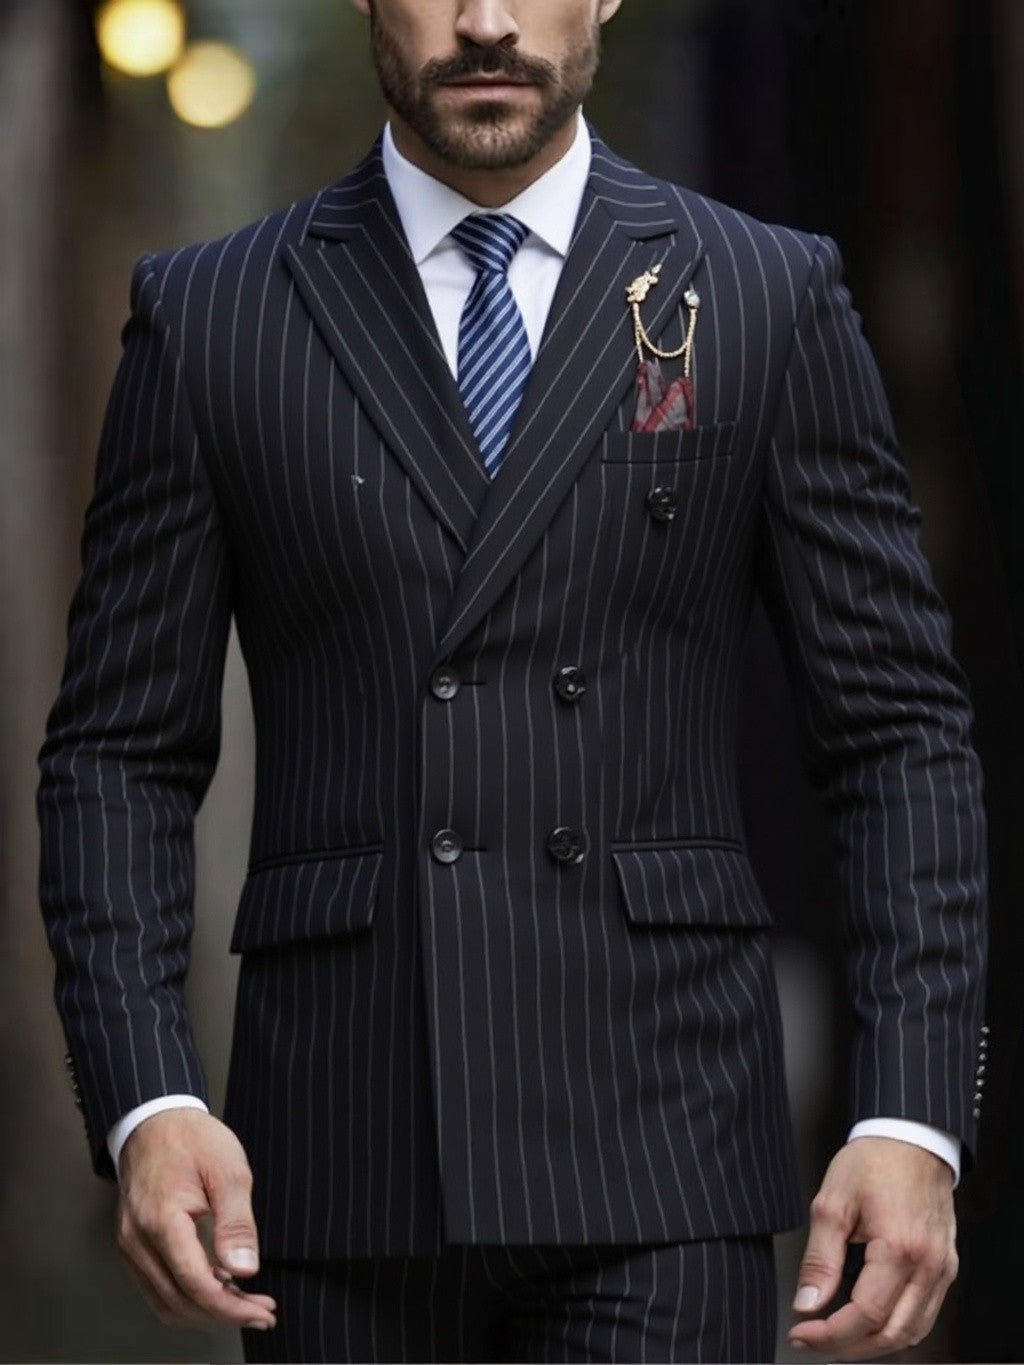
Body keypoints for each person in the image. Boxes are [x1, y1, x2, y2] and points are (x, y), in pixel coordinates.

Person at [37, 1, 989, 1360]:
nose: (485, 22)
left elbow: (897, 732)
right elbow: (118, 755)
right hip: (342, 1154)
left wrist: (910, 1112)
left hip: (663, 1150)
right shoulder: (215, 315)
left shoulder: (762, 292)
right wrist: (147, 1095)